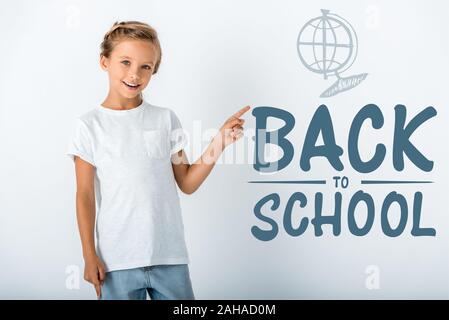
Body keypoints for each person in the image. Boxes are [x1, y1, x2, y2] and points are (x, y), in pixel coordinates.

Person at [66, 21, 250, 300]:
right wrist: (89, 255)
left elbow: (187, 182)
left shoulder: (165, 119)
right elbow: (84, 195)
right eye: (125, 62)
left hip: (170, 258)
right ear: (105, 62)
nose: (134, 74)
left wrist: (220, 141)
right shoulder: (89, 126)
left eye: (146, 67)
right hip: (117, 262)